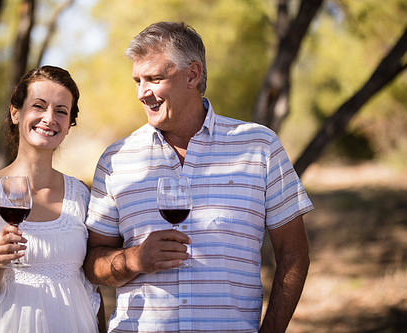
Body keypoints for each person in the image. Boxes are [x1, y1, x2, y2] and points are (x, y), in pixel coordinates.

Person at [84, 21, 313, 333]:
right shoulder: (116, 159)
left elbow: (294, 253)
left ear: (192, 75)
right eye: (137, 81)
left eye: (154, 79)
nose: (141, 93)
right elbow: (93, 263)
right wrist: (133, 259)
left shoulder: (260, 146)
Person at [0, 66, 103, 332]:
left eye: (61, 111)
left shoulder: (82, 196)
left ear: (68, 126)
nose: (49, 118)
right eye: (38, 106)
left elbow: (92, 292)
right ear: (15, 112)